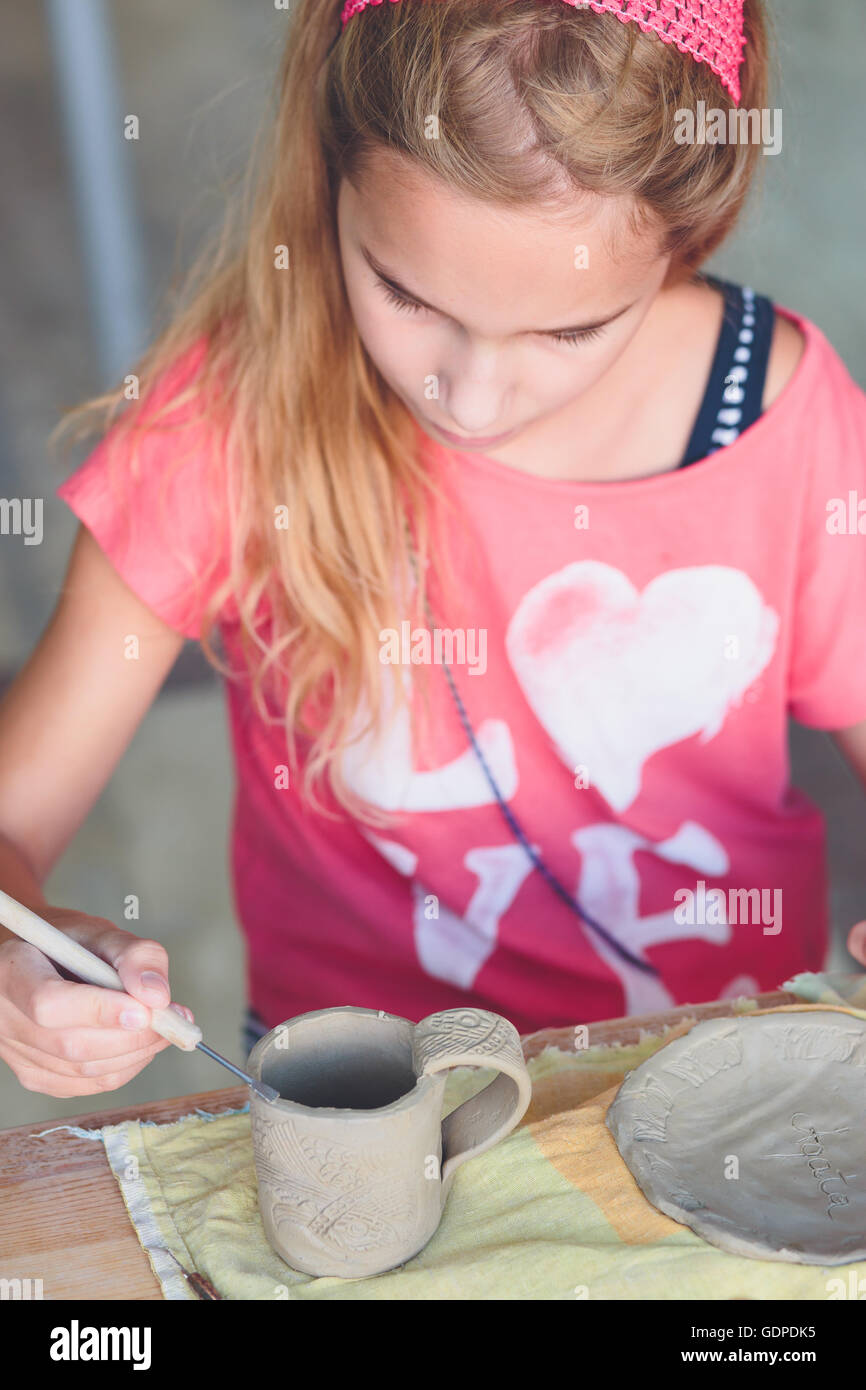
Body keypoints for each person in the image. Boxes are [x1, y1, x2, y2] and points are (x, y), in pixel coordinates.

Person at [2, 0, 866, 1100]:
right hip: (367, 1120)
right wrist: (20, 967)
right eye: (405, 293)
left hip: (718, 1096)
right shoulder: (235, 420)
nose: (467, 395)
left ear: (691, 225)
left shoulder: (776, 419)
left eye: (566, 330)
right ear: (329, 171)